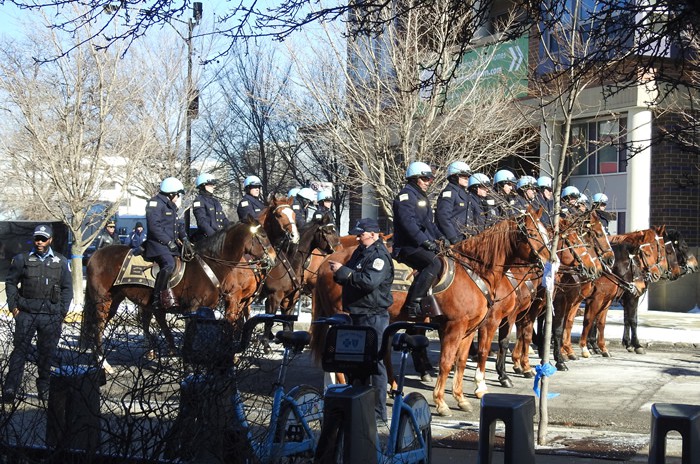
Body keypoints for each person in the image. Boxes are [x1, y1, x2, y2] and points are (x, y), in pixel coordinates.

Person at [328, 217, 393, 422]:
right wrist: (340, 273)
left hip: (373, 316)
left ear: (373, 234)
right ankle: (358, 406)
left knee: (374, 366)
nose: (357, 237)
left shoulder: (379, 255)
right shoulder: (360, 251)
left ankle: (377, 413)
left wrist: (344, 272)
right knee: (355, 364)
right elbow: (350, 276)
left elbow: (368, 282)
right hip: (357, 313)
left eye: (361, 234)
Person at [2, 224, 73, 403]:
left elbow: (67, 289)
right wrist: (13, 306)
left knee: (47, 354)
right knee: (19, 352)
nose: (39, 242)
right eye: (37, 238)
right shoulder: (22, 259)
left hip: (51, 316)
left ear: (50, 240)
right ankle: (10, 388)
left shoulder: (61, 262)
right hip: (26, 314)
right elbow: (11, 283)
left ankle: (44, 388)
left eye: (43, 239)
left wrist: (62, 312)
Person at [392, 161, 445, 318]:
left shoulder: (421, 197)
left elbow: (429, 225)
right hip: (407, 246)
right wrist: (424, 241)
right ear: (415, 179)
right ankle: (413, 304)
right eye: (425, 179)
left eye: (430, 179)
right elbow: (408, 224)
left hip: (420, 244)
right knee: (433, 263)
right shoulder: (405, 196)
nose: (429, 182)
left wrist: (442, 237)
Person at [145, 177, 192, 311]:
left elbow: (179, 226)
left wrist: (185, 239)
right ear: (171, 193)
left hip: (170, 245)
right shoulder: (155, 203)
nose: (178, 197)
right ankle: (157, 298)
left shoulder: (170, 206)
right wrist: (168, 242)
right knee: (169, 265)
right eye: (177, 194)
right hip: (157, 245)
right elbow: (154, 227)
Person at [435, 161, 472, 244]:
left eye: (468, 176)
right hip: (453, 238)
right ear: (454, 177)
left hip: (464, 236)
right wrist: (453, 237)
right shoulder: (449, 193)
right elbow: (443, 217)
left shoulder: (463, 193)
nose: (467, 178)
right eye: (463, 175)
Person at [193, 172, 230, 241]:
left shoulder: (215, 201)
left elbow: (223, 219)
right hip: (207, 238)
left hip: (219, 236)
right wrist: (213, 236)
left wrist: (232, 227)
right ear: (203, 185)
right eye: (211, 184)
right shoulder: (199, 201)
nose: (214, 187)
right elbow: (202, 222)